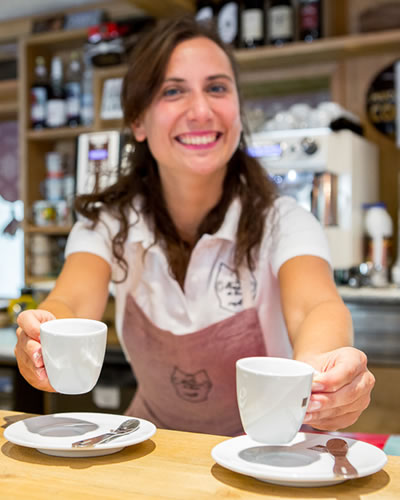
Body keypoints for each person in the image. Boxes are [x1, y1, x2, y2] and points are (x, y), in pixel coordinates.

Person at [15, 16, 374, 436]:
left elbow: (317, 306)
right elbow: (71, 303)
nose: (201, 110)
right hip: (156, 448)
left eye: (217, 88)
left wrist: (327, 371)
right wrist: (42, 337)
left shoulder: (284, 220)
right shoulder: (110, 224)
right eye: (173, 91)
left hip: (273, 452)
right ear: (138, 121)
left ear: (238, 109)